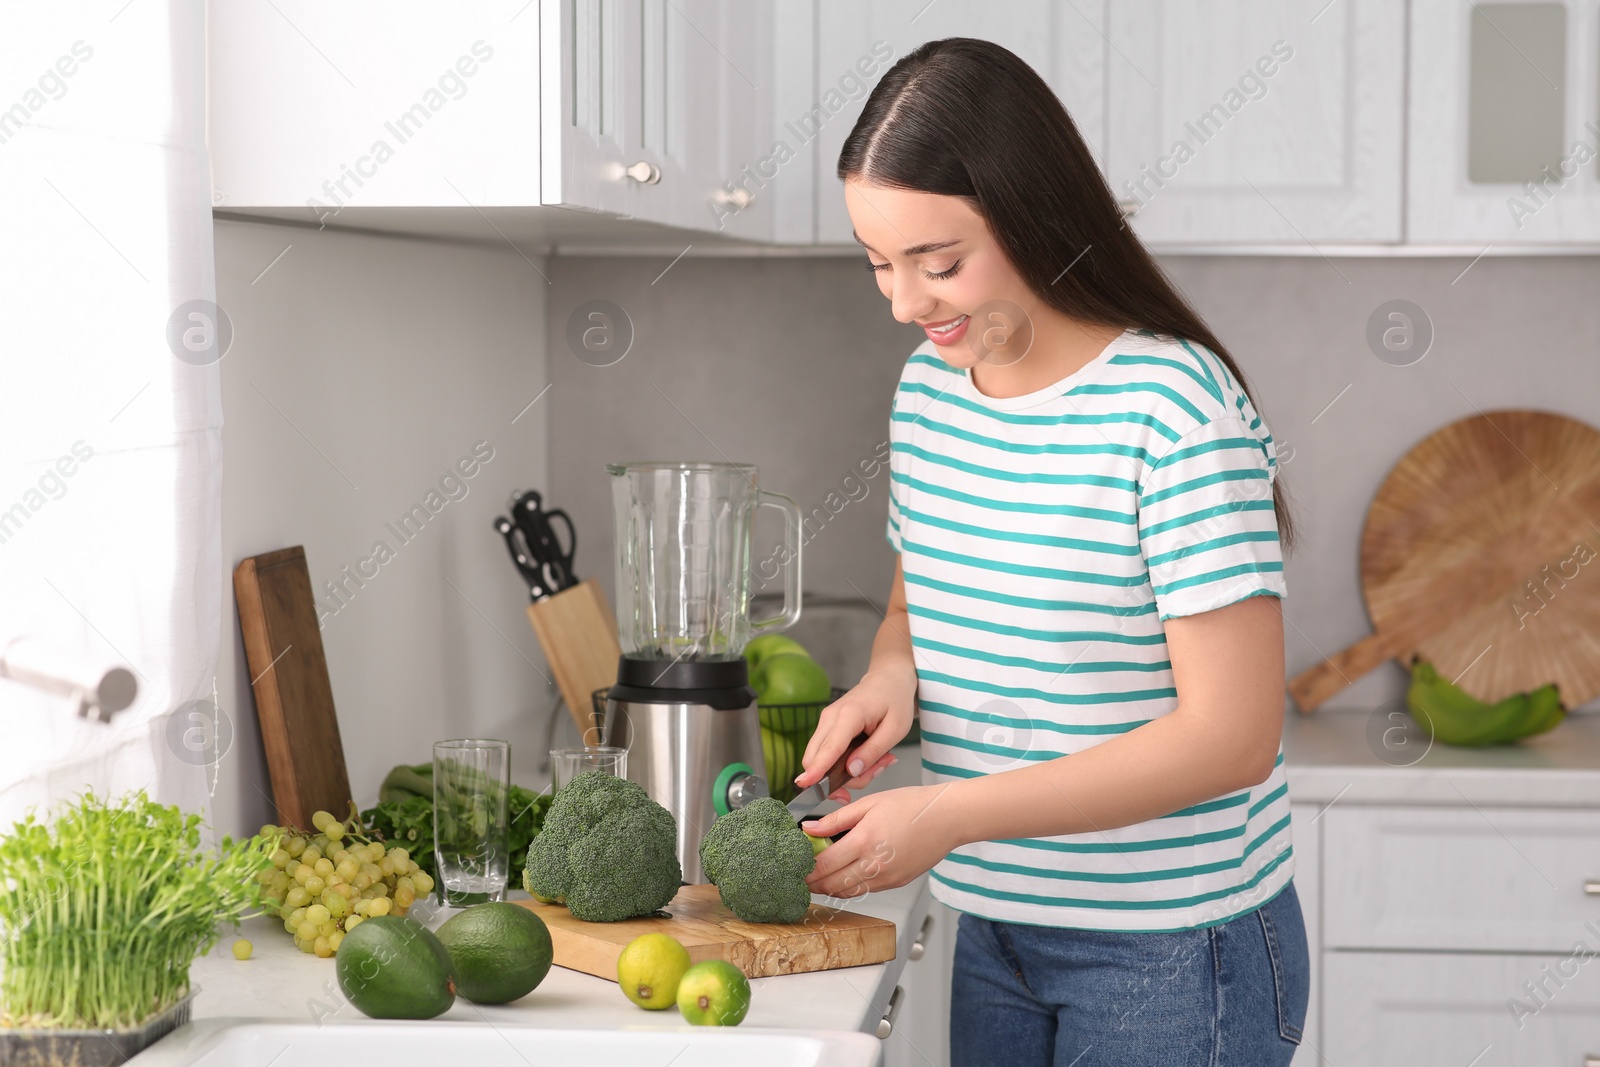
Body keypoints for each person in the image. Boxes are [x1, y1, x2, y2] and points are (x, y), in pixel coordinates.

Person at [792, 37, 1310, 1067]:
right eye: (878, 265)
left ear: (1035, 213)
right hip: (996, 922)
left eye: (937, 264)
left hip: (1174, 947)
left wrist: (946, 811)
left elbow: (1233, 733)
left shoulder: (1172, 407)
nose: (904, 301)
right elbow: (920, 597)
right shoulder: (931, 390)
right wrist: (892, 674)